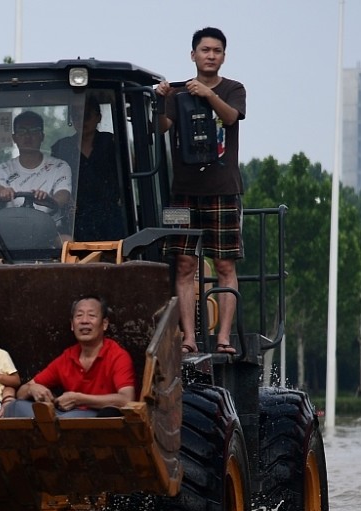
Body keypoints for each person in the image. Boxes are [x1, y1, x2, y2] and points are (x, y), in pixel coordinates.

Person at [155, 27, 246, 355]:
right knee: (183, 264)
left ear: (223, 56)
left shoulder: (234, 89)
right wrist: (161, 99)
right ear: (192, 55)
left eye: (217, 51)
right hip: (183, 193)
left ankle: (223, 337)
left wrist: (208, 95)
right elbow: (160, 128)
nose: (210, 56)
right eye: (205, 50)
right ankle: (188, 337)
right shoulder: (179, 93)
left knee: (224, 264)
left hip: (223, 190)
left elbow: (231, 117)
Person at [5, 296, 136, 418]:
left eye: (92, 316)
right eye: (79, 316)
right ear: (72, 325)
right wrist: (31, 389)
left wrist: (79, 399)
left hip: (97, 418)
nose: (84, 321)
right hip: (66, 417)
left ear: (105, 324)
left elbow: (127, 400)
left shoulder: (118, 355)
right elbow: (21, 393)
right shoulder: (68, 357)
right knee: (15, 407)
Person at [51, 95, 125, 241]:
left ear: (98, 117)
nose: (81, 120)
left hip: (110, 215)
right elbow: (54, 179)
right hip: (75, 216)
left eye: (86, 115)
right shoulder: (61, 147)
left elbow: (128, 173)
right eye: (76, 116)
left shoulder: (112, 142)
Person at [0, 110, 72, 217]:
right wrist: (3, 192)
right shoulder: (3, 169)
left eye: (34, 131)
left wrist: (50, 201)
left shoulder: (60, 167)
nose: (28, 136)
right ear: (14, 138)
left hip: (51, 230)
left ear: (42, 136)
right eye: (22, 131)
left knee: (67, 235)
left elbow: (63, 195)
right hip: (9, 230)